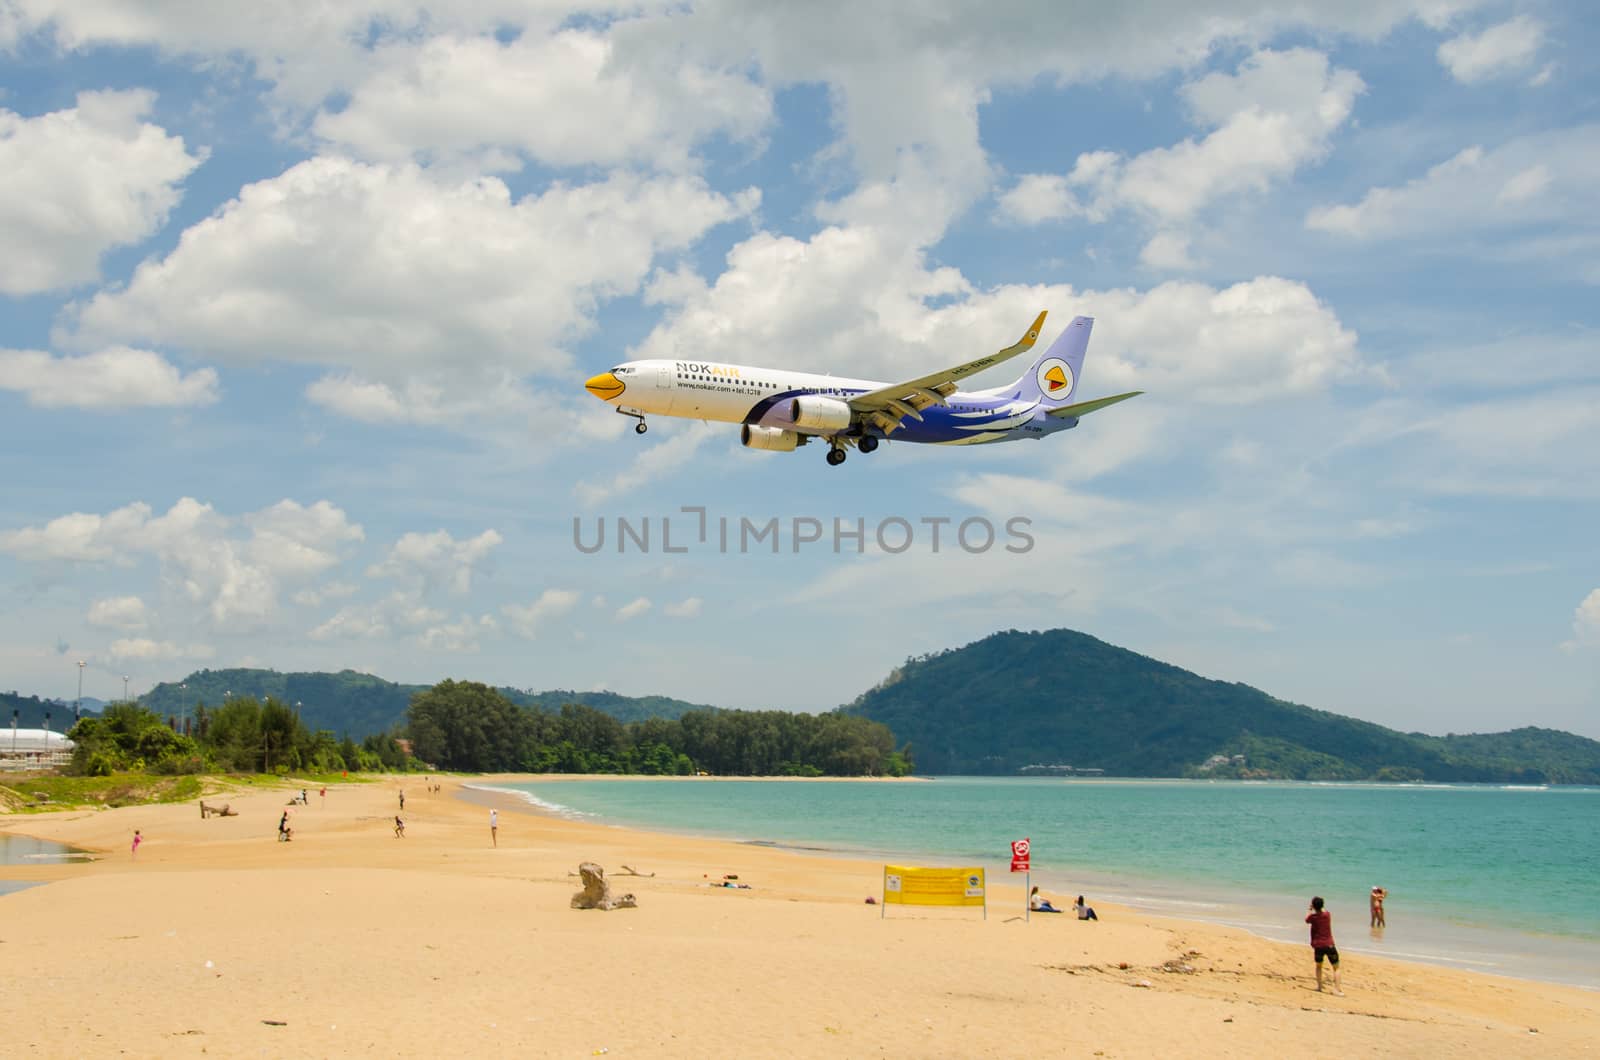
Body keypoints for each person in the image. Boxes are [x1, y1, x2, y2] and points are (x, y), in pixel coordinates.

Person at [1306, 896, 1343, 995]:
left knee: (1319, 966)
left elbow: (1306, 919)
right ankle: (1337, 989)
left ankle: (1319, 987)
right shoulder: (1327, 915)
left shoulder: (1313, 917)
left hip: (1318, 946)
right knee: (1336, 967)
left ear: (1314, 906)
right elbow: (1323, 910)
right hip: (1329, 944)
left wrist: (1310, 909)